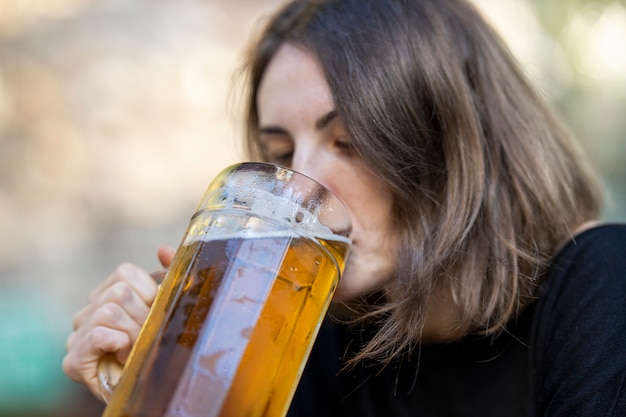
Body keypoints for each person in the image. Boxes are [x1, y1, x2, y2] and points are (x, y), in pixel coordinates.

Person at [63, 0, 626, 415]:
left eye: (349, 141)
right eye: (281, 151)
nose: (300, 181)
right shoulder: (309, 343)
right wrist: (148, 386)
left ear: (454, 140)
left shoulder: (602, 290)